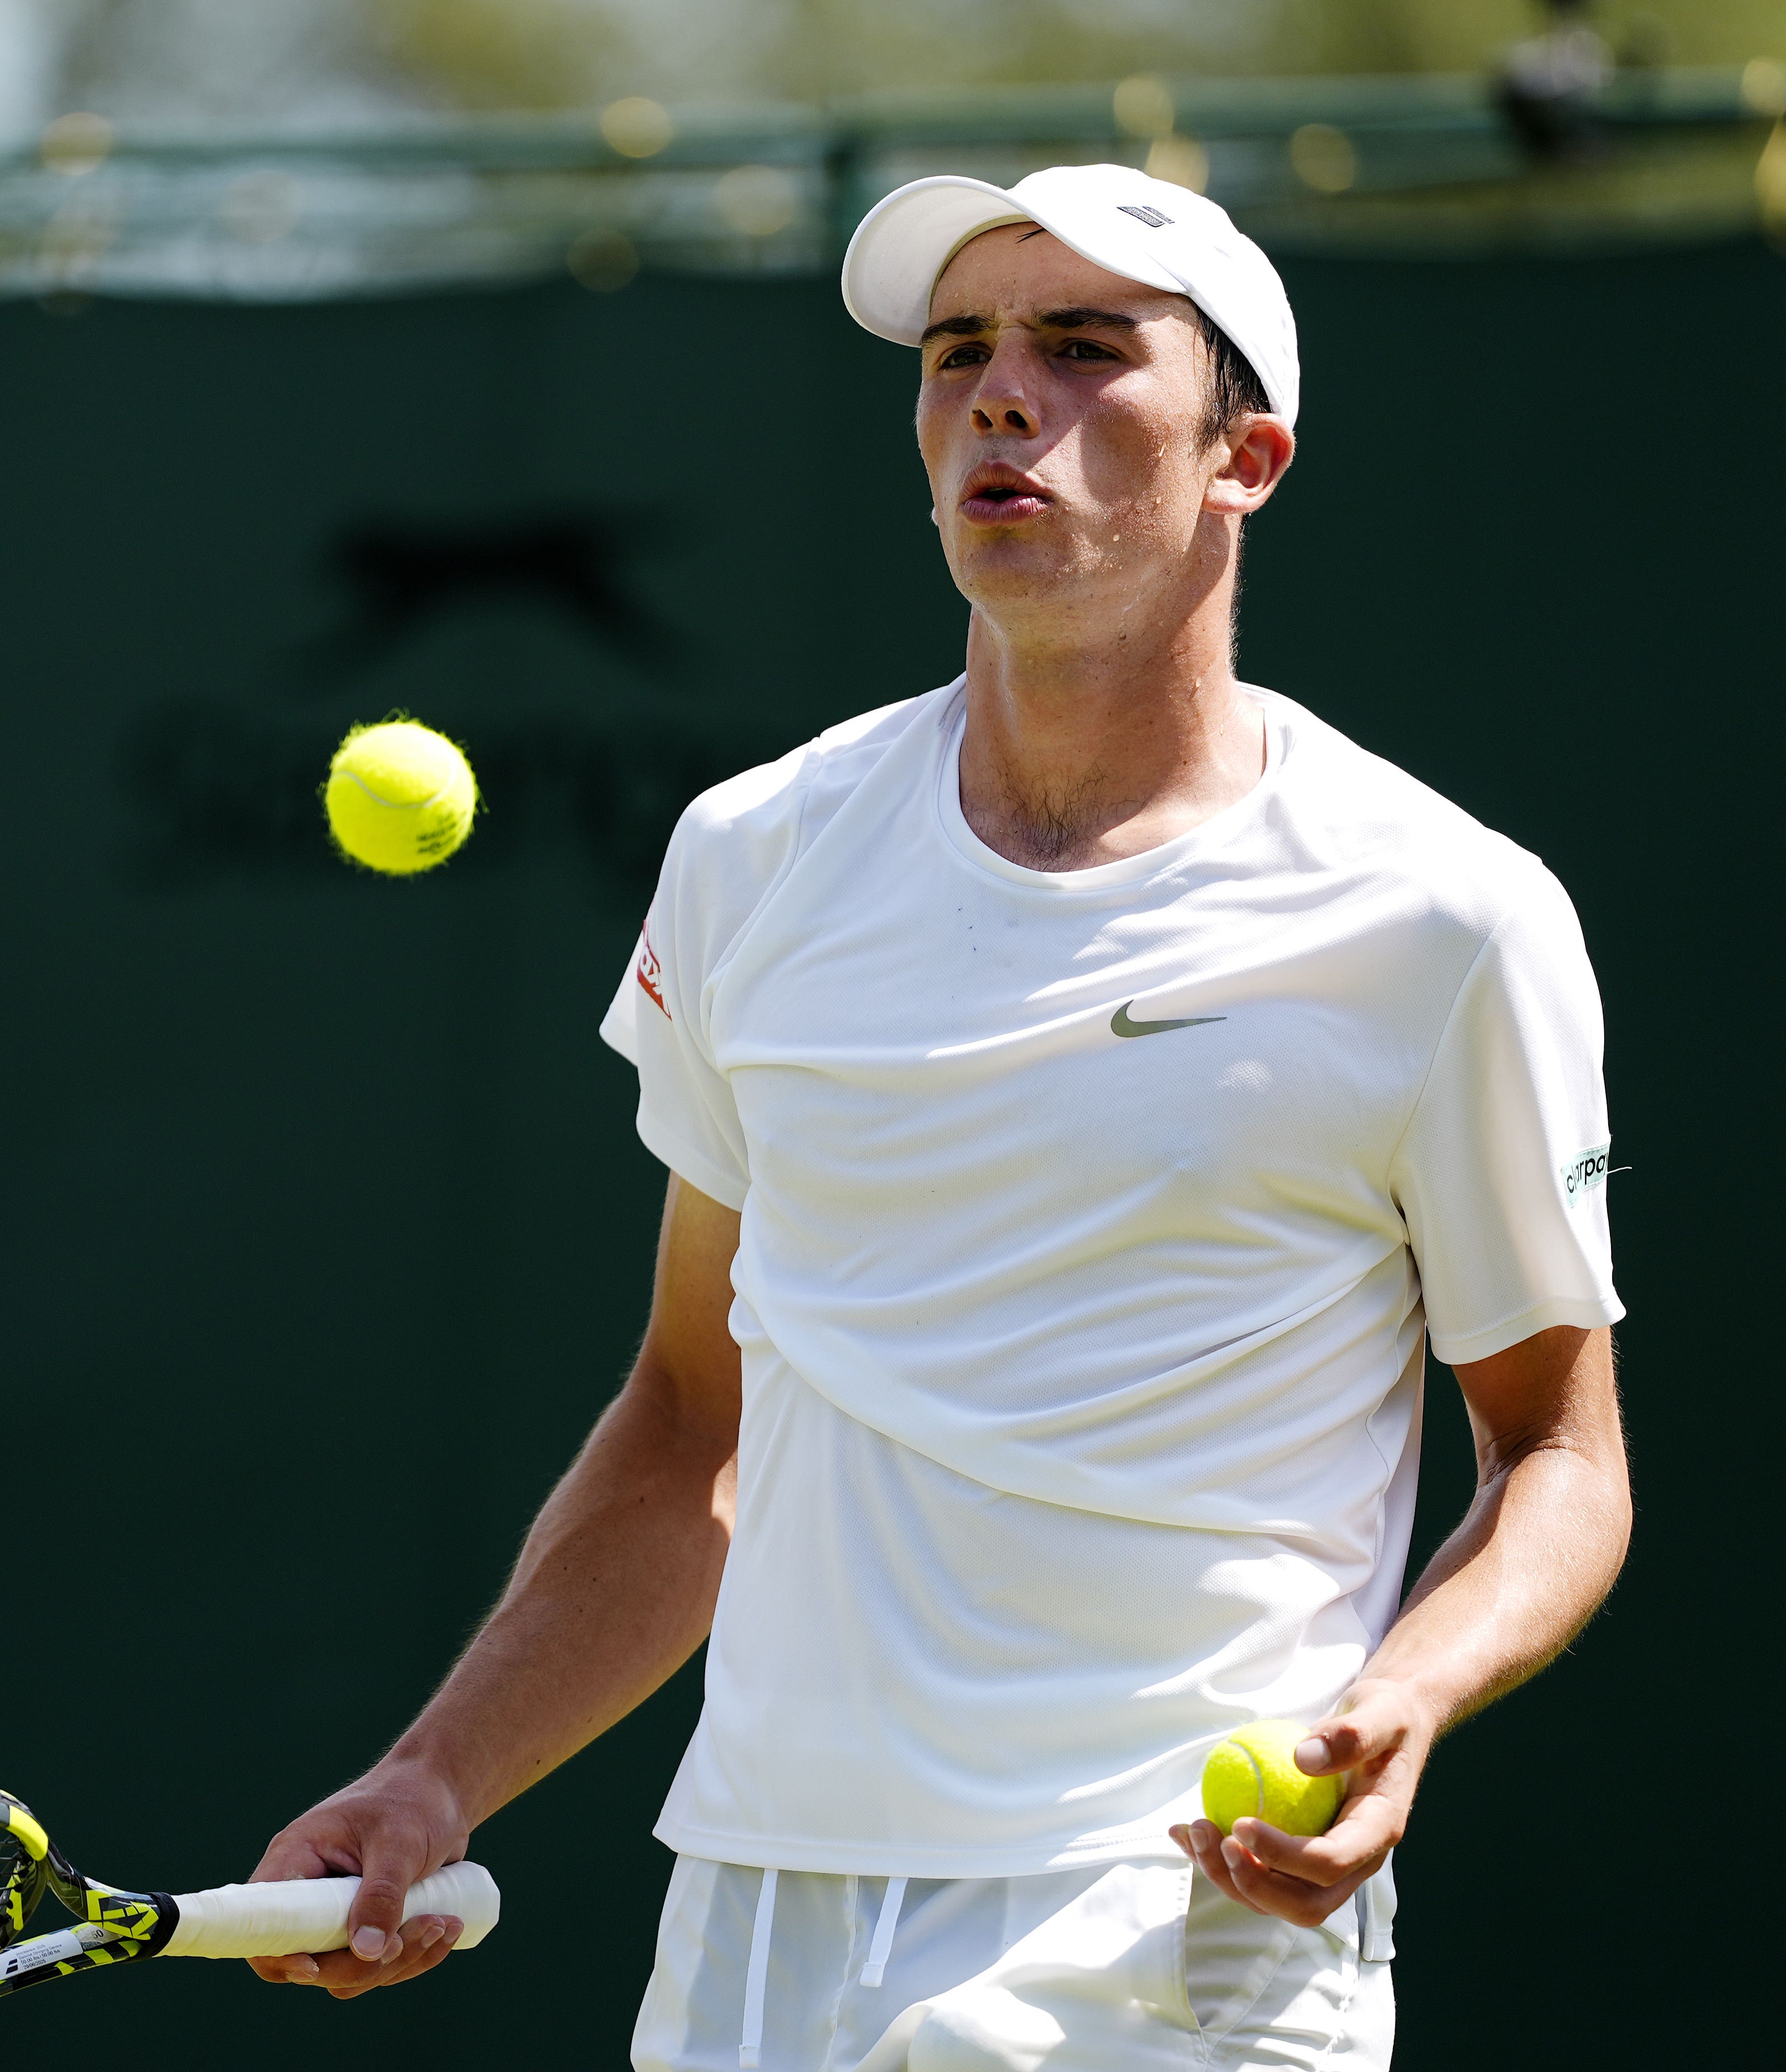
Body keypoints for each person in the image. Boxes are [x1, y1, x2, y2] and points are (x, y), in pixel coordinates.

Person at [242, 163, 1632, 2070]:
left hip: (1182, 1919)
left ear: (1247, 458)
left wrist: (1405, 1694)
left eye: (1082, 349)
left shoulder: (1444, 917)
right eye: (959, 351)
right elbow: (689, 1424)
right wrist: (434, 1776)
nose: (999, 395)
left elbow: (1557, 1455)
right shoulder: (752, 856)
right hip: (756, 1922)